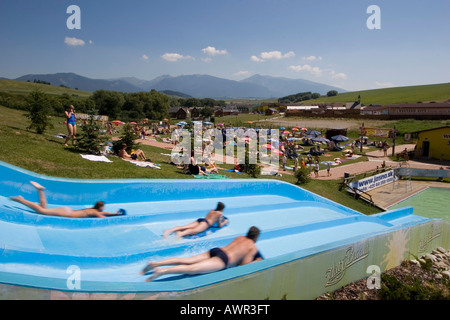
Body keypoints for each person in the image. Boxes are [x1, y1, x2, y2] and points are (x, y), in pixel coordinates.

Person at [142, 226, 263, 282]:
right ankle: (161, 271)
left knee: (186, 260)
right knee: (192, 269)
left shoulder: (240, 237)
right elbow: (244, 265)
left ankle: (155, 263)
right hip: (223, 260)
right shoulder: (252, 246)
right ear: (256, 237)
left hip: (216, 251)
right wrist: (257, 261)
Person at [9, 181, 124, 218]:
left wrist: (115, 214)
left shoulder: (93, 210)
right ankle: (21, 200)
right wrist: (117, 217)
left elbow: (104, 213)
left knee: (43, 209)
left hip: (67, 210)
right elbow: (103, 217)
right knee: (42, 211)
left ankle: (40, 191)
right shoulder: (95, 213)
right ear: (100, 207)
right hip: (67, 213)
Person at [163, 202, 228, 238]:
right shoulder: (220, 213)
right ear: (222, 209)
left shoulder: (212, 210)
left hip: (201, 220)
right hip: (206, 223)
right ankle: (181, 234)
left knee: (185, 226)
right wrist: (224, 222)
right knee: (195, 230)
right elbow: (219, 225)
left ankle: (169, 230)